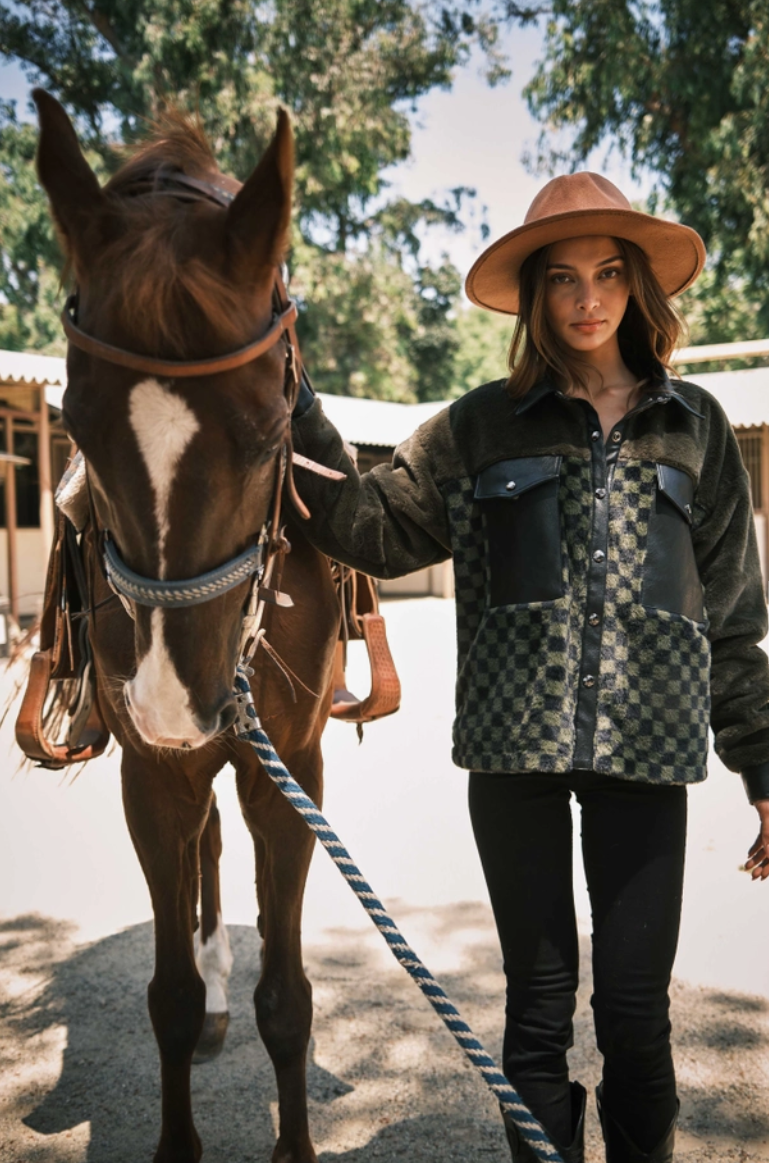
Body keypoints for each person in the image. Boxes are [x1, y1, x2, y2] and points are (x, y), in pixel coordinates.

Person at [289, 172, 769, 1163]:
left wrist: (765, 768)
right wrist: (287, 395)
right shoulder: (477, 425)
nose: (587, 300)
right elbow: (370, 524)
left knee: (636, 1008)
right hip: (514, 757)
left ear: (639, 287)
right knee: (537, 1008)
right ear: (535, 295)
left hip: (647, 752)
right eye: (562, 278)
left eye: (607, 274)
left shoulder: (697, 427)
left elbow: (732, 619)